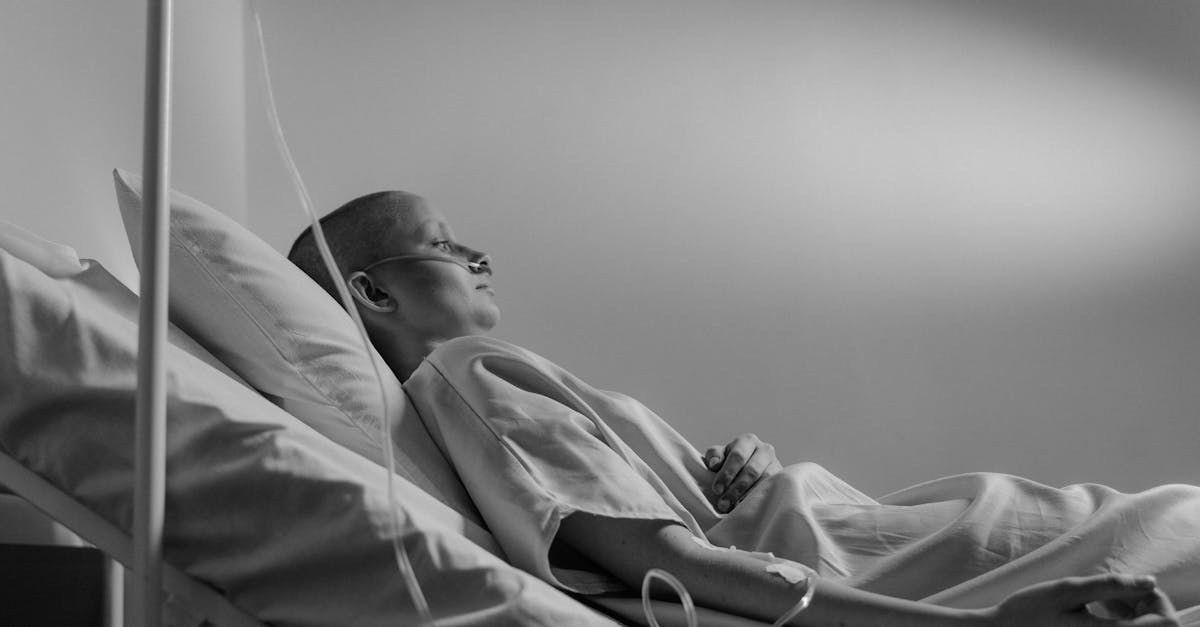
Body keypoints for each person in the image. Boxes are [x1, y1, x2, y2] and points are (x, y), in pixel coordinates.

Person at [288, 190, 1187, 626]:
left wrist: (719, 477)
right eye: (445, 246)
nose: (479, 257)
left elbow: (668, 525)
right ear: (371, 292)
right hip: (897, 564)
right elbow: (673, 561)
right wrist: (979, 626)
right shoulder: (466, 374)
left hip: (864, 534)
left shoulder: (470, 390)